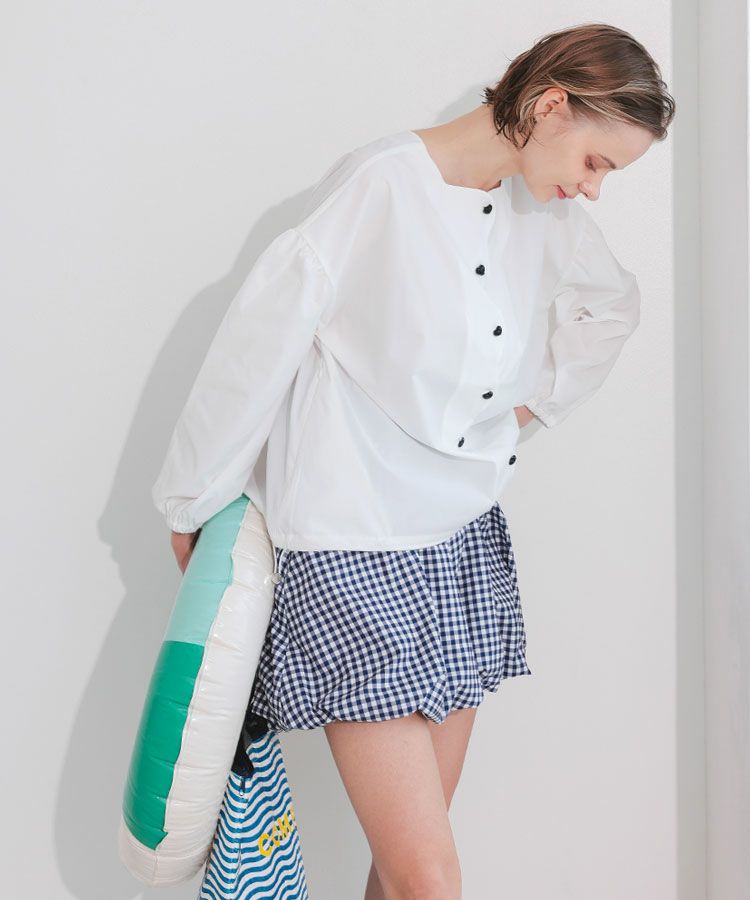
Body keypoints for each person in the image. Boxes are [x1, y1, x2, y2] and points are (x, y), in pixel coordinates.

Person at [153, 22, 675, 900]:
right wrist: (192, 500)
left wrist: (533, 403)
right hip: (351, 547)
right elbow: (259, 338)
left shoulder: (542, 211)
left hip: (460, 545)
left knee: (403, 877)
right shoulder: (381, 184)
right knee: (430, 878)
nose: (592, 188)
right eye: (597, 162)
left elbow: (611, 306)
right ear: (552, 106)